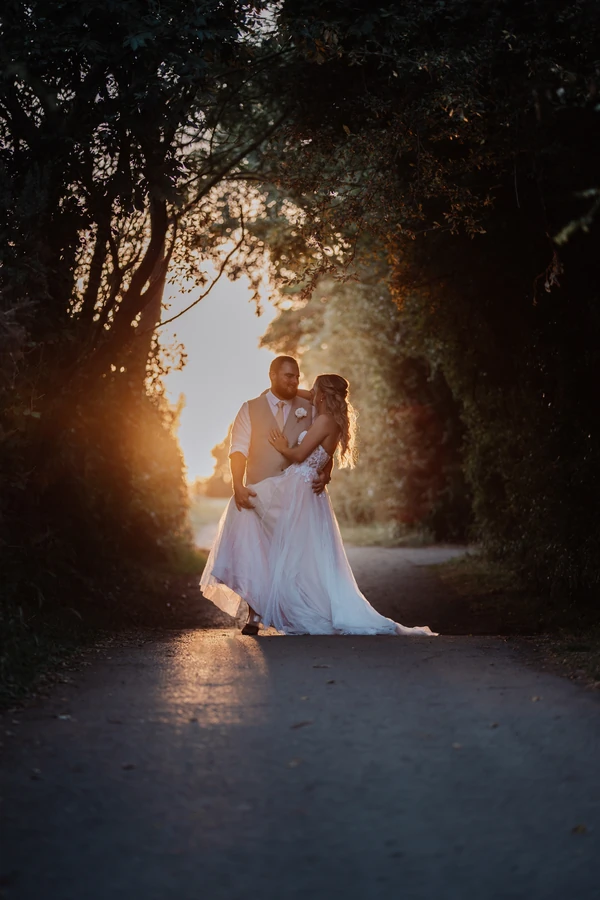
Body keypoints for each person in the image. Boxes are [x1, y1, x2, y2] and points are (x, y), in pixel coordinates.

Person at [201, 363, 437, 637]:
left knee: (296, 554)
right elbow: (243, 448)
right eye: (290, 376)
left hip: (296, 489)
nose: (299, 384)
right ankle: (255, 606)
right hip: (288, 487)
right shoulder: (263, 409)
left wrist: (312, 466)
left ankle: (286, 605)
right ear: (273, 375)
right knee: (272, 541)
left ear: (321, 395)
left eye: (303, 381)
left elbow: (309, 455)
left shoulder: (318, 413)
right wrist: (237, 483)